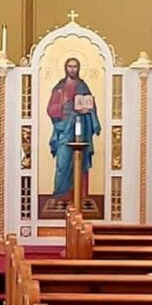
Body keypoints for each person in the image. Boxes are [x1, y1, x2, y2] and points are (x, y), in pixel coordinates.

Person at [46, 57, 100, 201]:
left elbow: (91, 107)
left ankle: (78, 197)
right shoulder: (59, 87)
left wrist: (87, 110)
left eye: (75, 66)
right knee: (63, 162)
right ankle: (60, 195)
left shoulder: (83, 86)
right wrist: (62, 106)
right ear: (65, 68)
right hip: (64, 129)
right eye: (69, 66)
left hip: (81, 127)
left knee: (80, 161)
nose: (72, 69)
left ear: (79, 68)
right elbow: (51, 108)